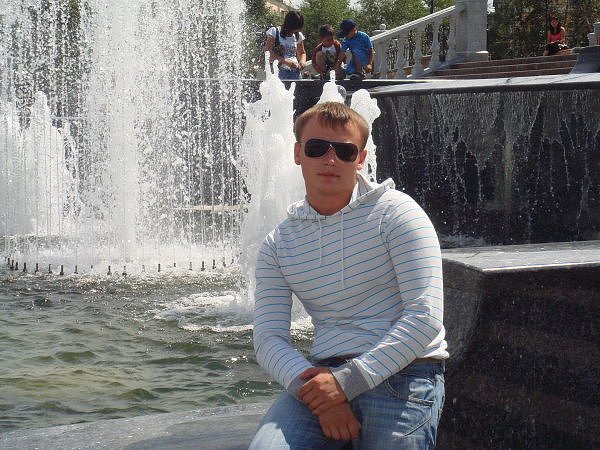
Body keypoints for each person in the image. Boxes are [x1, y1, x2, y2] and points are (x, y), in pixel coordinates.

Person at [249, 101, 448, 449]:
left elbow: (425, 317)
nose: (330, 160)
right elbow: (269, 339)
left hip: (405, 374)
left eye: (344, 151)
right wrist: (320, 395)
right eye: (317, 148)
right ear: (298, 153)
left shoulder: (397, 214)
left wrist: (345, 384)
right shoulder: (278, 244)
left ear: (361, 158)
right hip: (321, 377)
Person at [264, 11, 307, 80]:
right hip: (278, 71)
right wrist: (285, 61)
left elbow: (302, 52)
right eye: (294, 29)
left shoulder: (298, 35)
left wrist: (302, 62)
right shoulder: (275, 32)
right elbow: (267, 52)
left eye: (298, 29)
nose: (296, 31)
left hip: (295, 72)